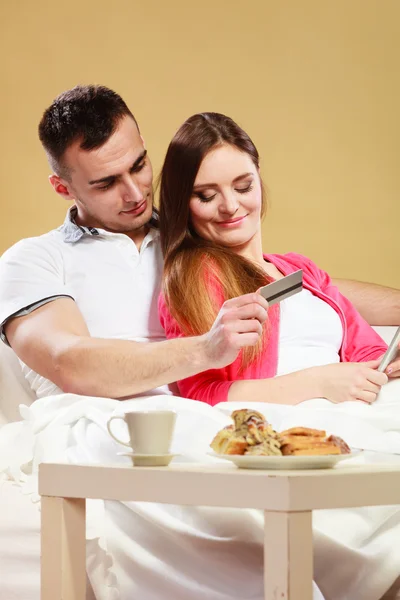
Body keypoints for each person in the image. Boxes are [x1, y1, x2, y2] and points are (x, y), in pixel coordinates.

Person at [0, 85, 400, 600]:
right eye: (106, 182)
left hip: (218, 398)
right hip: (144, 410)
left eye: (140, 165)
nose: (135, 193)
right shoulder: (33, 261)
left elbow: (296, 283)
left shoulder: (192, 229)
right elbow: (68, 361)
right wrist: (203, 352)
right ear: (63, 186)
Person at [157, 111, 398, 405]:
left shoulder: (301, 270)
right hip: (284, 432)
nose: (230, 206)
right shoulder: (192, 278)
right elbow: (200, 392)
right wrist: (319, 382)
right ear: (183, 202)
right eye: (207, 196)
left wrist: (389, 360)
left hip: (358, 414)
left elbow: (366, 349)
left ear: (259, 176)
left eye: (243, 186)